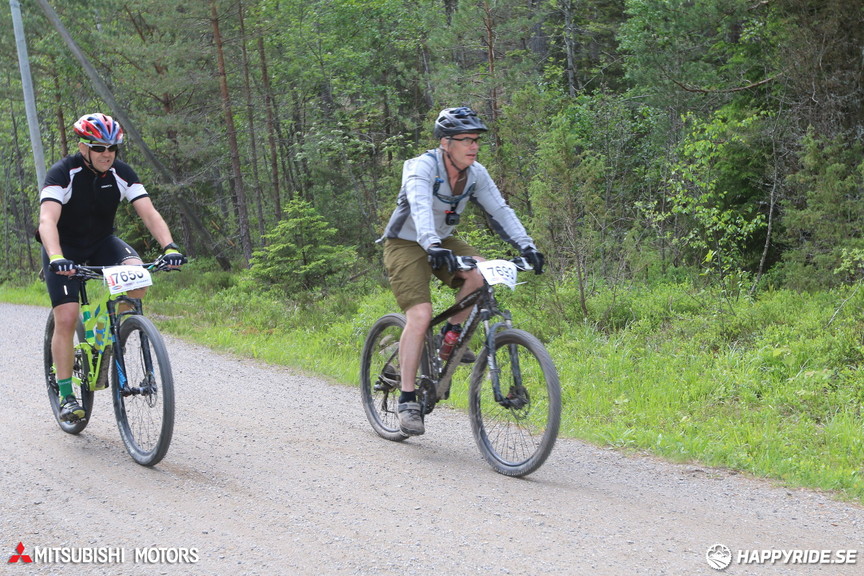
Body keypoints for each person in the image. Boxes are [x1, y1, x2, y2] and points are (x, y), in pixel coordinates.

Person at [379, 106, 544, 436]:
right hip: (406, 241)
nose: (473, 145)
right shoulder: (420, 167)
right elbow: (421, 207)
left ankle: (449, 337)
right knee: (421, 314)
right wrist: (431, 246)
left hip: (442, 240)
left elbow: (500, 210)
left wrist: (528, 246)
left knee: (481, 274)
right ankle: (408, 399)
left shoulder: (476, 174)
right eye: (465, 139)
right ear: (445, 143)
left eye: (476, 140)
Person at [38, 112, 186, 422]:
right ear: (83, 147)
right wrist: (55, 257)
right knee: (66, 316)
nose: (107, 154)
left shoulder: (121, 172)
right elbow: (47, 220)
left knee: (138, 276)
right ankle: (66, 396)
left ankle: (113, 336)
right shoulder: (63, 173)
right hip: (64, 249)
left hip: (101, 242)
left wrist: (169, 246)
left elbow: (149, 213)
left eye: (112, 148)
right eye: (100, 147)